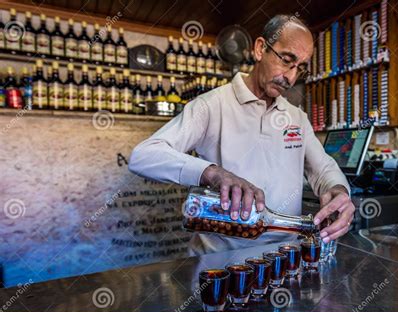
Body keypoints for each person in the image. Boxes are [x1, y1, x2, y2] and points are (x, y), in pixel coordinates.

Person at [129, 15, 355, 255]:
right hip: (219, 262)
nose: (290, 77)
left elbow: (323, 168)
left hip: (283, 256)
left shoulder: (295, 117)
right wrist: (212, 173)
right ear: (260, 49)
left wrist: (338, 191)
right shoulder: (211, 105)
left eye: (299, 68)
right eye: (286, 60)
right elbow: (143, 155)